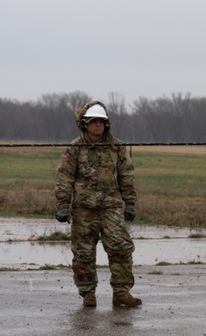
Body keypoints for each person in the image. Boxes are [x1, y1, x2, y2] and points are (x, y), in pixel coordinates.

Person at [55, 101, 141, 308]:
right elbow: (64, 177)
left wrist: (130, 202)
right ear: (85, 124)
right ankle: (88, 294)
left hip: (111, 207)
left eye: (101, 122)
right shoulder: (75, 149)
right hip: (84, 209)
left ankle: (121, 292)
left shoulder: (116, 148)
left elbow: (126, 175)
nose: (98, 126)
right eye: (93, 122)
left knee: (121, 248)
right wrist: (62, 205)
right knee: (83, 253)